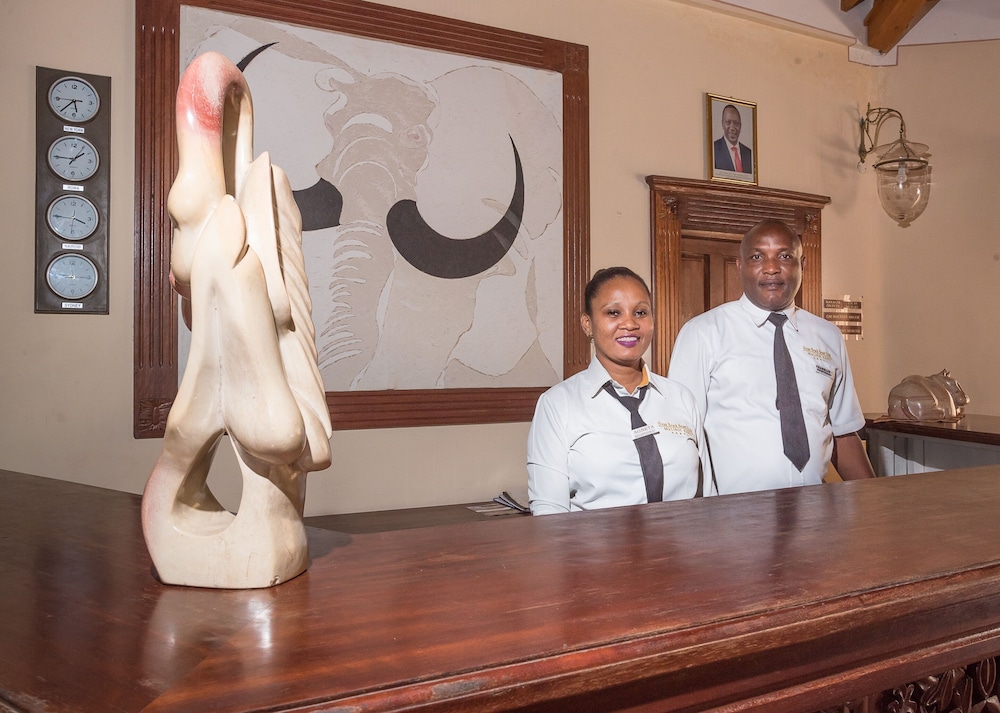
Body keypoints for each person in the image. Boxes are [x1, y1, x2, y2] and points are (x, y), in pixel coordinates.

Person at [668, 219, 875, 494]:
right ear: (740, 266)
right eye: (757, 257)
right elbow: (681, 437)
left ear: (802, 265)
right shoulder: (703, 333)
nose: (771, 268)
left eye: (785, 256)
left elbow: (843, 431)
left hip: (815, 506)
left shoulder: (828, 336)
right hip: (735, 511)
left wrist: (877, 501)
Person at [527, 267, 708, 515]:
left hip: (683, 539)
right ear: (587, 324)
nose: (630, 324)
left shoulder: (681, 398)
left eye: (640, 312)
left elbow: (708, 496)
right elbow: (549, 513)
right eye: (613, 312)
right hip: (594, 541)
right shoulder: (557, 404)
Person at [713, 104, 753, 174]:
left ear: (740, 126)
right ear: (722, 124)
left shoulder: (749, 153)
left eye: (736, 123)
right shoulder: (714, 149)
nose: (732, 128)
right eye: (728, 122)